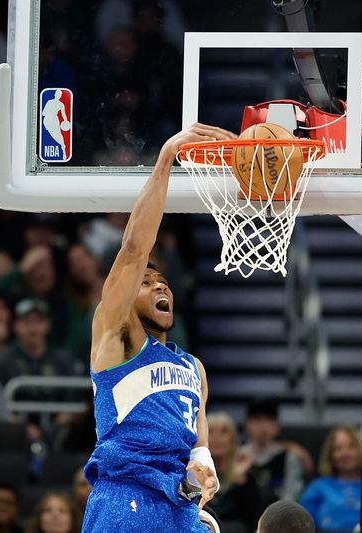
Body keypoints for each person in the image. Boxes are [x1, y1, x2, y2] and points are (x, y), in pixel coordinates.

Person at [82, 124, 235, 532]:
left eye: (162, 281)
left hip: (178, 505)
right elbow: (134, 249)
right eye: (146, 282)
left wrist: (201, 471)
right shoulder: (118, 337)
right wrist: (167, 158)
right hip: (124, 498)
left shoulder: (194, 369)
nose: (159, 284)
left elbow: (196, 451)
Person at [239, 399, 305, 500]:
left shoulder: (288, 457)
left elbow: (293, 496)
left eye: (269, 420)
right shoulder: (237, 456)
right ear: (246, 425)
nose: (263, 426)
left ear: (277, 426)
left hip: (278, 513)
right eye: (257, 420)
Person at [300, 426, 362, 533]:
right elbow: (303, 525)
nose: (345, 453)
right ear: (330, 455)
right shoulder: (318, 487)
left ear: (361, 449)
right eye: (338, 448)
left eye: (351, 447)